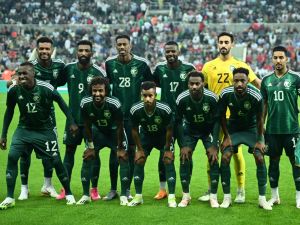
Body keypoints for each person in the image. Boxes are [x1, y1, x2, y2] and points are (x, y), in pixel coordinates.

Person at [0, 62, 77, 210]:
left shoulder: (46, 88)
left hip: (45, 131)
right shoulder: (14, 90)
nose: (21, 76)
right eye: (19, 74)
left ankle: (69, 194)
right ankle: (10, 197)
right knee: (12, 157)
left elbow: (62, 103)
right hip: (23, 130)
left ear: (33, 74)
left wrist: (72, 122)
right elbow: (9, 111)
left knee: (56, 161)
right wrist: (3, 134)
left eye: (25, 74)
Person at [200, 32, 261, 203]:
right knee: (211, 152)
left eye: (226, 42)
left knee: (235, 152)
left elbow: (258, 83)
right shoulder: (208, 66)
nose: (223, 44)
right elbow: (200, 87)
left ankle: (240, 190)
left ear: (232, 44)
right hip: (214, 117)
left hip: (234, 118)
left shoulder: (241, 65)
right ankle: (211, 189)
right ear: (217, 44)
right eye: (220, 42)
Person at [9, 36, 66, 200]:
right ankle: (24, 188)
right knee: (24, 153)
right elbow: (14, 79)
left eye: (47, 49)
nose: (44, 51)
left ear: (52, 50)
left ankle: (47, 185)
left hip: (48, 116)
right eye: (41, 49)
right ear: (37, 49)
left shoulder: (59, 65)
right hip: (28, 115)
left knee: (49, 152)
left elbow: (64, 80)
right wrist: (12, 82)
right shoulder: (29, 66)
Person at [56, 40, 107, 200]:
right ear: (76, 52)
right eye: (81, 50)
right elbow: (55, 83)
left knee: (94, 153)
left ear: (92, 53)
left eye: (87, 50)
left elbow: (106, 96)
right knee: (69, 153)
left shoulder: (98, 72)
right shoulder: (69, 69)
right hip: (72, 120)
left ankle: (94, 189)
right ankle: (65, 188)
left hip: (92, 123)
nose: (83, 53)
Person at [105, 34, 152, 200]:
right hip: (116, 116)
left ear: (130, 46)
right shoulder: (110, 64)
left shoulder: (141, 64)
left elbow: (149, 86)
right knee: (114, 151)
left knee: (132, 151)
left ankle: (127, 189)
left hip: (134, 117)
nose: (122, 47)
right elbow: (106, 87)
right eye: (119, 44)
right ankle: (112, 189)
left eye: (125, 44)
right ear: (115, 46)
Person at [218, 67, 271, 210]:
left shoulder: (256, 95)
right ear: (232, 81)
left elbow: (260, 119)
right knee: (225, 157)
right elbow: (221, 116)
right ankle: (227, 198)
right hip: (233, 129)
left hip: (251, 128)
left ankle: (262, 199)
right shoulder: (225, 94)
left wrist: (260, 140)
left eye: (242, 81)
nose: (239, 84)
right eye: (236, 81)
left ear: (248, 81)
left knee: (260, 157)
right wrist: (227, 137)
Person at [76, 77, 130, 206]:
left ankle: (123, 195)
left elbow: (120, 126)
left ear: (106, 91)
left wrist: (120, 147)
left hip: (114, 133)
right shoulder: (85, 103)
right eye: (94, 91)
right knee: (87, 157)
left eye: (100, 90)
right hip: (97, 133)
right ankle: (85, 195)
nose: (97, 94)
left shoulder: (114, 103)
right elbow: (87, 125)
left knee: (123, 158)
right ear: (91, 91)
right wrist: (90, 146)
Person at [152, 41, 195, 200]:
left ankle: (186, 188)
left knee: (186, 153)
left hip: (184, 118)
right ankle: (162, 189)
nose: (170, 54)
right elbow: (155, 84)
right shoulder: (159, 68)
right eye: (167, 52)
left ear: (179, 51)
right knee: (164, 153)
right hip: (165, 119)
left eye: (173, 51)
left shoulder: (188, 68)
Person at [261, 46, 300, 209]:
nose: (278, 60)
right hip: (272, 131)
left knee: (296, 162)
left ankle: (299, 197)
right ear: (272, 59)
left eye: (281, 57)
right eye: (275, 57)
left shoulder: (295, 79)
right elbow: (264, 104)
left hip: (292, 129)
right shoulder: (266, 80)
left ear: (287, 59)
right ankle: (275, 197)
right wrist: (261, 125)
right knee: (273, 163)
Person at [128, 81, 177, 207]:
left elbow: (170, 129)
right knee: (139, 160)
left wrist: (167, 149)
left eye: (150, 95)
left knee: (167, 160)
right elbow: (134, 129)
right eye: (145, 96)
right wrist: (139, 149)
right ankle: (138, 197)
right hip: (146, 137)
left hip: (163, 137)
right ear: (141, 95)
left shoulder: (164, 109)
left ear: (155, 95)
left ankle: (171, 197)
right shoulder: (135, 109)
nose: (147, 99)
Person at [175, 71, 220, 208]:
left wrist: (214, 144)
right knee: (184, 157)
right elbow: (177, 122)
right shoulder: (181, 99)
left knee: (213, 158)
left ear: (203, 84)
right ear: (187, 84)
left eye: (197, 84)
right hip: (190, 130)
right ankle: (186, 196)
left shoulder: (212, 98)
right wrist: (182, 144)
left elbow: (217, 121)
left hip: (208, 131)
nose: (194, 86)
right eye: (191, 84)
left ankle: (213, 196)